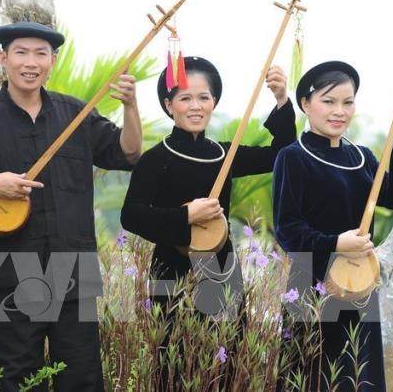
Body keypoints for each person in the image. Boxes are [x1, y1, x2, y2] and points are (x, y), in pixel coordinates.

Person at [0, 21, 142, 391]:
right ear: (2, 59)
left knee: (83, 379)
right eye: (21, 53)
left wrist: (130, 106)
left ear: (52, 61)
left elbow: (129, 153)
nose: (31, 62)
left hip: (74, 269)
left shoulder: (75, 113)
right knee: (17, 381)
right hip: (9, 271)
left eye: (41, 54)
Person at [120, 56, 295, 386]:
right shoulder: (155, 159)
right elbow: (131, 215)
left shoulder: (224, 155)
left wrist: (282, 99)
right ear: (169, 105)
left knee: (224, 363)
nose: (195, 106)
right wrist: (187, 215)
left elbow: (282, 154)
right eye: (185, 98)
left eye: (204, 97)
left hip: (222, 269)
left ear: (214, 101)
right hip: (172, 271)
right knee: (173, 365)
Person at [272, 61, 393, 391]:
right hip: (312, 286)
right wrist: (336, 243)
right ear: (305, 103)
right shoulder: (293, 157)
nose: (339, 111)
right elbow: (287, 230)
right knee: (311, 375)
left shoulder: (362, 157)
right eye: (328, 101)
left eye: (347, 102)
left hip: (359, 281)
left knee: (358, 374)